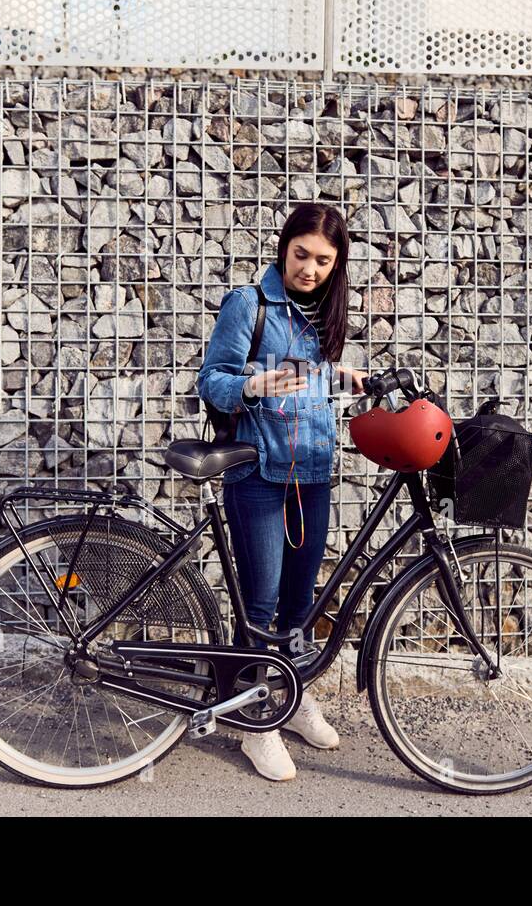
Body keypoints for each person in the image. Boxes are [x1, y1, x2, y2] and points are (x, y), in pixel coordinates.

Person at [196, 203, 369, 782]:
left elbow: (306, 374)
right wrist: (252, 383)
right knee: (263, 606)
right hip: (259, 474)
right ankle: (256, 722)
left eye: (324, 260)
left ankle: (290, 700)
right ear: (283, 247)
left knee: (302, 605)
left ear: (337, 263)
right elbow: (211, 380)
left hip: (312, 473)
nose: (310, 268)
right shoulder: (250, 304)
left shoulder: (324, 312)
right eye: (302, 255)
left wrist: (341, 377)